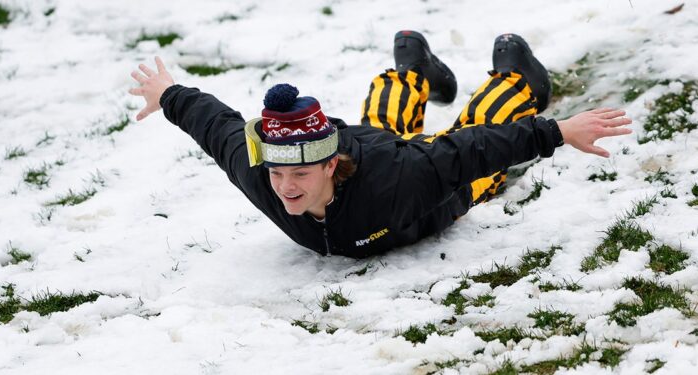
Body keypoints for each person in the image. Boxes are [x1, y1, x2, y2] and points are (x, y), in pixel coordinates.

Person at [129, 31, 632, 258]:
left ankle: (517, 79)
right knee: (381, 122)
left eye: (299, 175)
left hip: (426, 190)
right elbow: (218, 128)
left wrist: (558, 131)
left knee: (466, 134)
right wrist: (169, 95)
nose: (284, 188)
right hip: (371, 146)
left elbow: (472, 149)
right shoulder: (266, 176)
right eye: (279, 174)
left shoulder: (400, 179)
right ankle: (413, 66)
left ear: (329, 167)